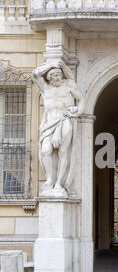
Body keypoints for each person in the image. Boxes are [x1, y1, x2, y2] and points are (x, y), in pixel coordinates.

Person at [33, 60, 85, 196]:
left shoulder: (69, 85)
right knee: (46, 150)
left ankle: (59, 183)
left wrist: (76, 112)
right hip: (49, 124)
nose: (57, 77)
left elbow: (82, 101)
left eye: (59, 74)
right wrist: (53, 64)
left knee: (63, 152)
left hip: (64, 120)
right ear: (49, 77)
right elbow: (35, 74)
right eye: (54, 75)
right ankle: (50, 179)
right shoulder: (45, 88)